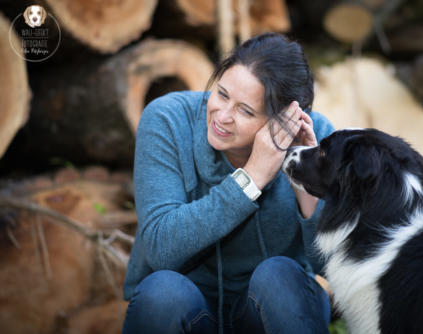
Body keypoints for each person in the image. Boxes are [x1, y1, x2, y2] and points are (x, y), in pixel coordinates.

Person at [122, 32, 335, 334]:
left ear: (283, 121)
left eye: (245, 111)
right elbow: (161, 249)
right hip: (190, 312)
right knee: (163, 292)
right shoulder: (169, 120)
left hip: (268, 314)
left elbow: (331, 268)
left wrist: (308, 185)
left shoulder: (316, 141)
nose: (221, 116)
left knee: (279, 275)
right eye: (221, 94)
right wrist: (251, 178)